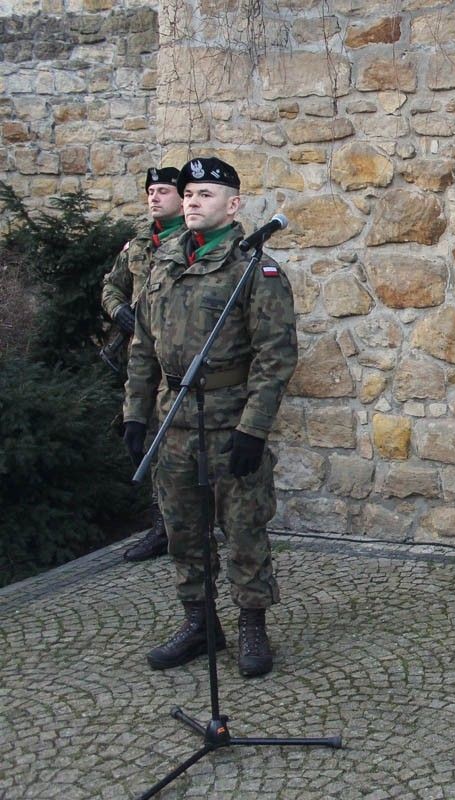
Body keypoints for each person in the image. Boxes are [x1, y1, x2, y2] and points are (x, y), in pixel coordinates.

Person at [123, 157, 297, 678]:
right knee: (183, 529)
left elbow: (276, 356)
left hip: (229, 422)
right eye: (190, 193)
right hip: (175, 421)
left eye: (205, 194)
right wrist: (134, 413)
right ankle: (200, 623)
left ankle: (251, 626)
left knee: (243, 528)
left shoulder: (254, 269)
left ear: (233, 204)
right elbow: (142, 346)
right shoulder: (163, 264)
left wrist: (254, 428)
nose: (194, 201)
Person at [101, 167, 185, 562]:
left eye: (163, 190)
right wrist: (118, 312)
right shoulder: (136, 244)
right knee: (146, 439)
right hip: (139, 358)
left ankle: (191, 525)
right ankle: (161, 526)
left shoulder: (190, 242)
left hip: (176, 359)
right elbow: (111, 286)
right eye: (150, 190)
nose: (154, 197)